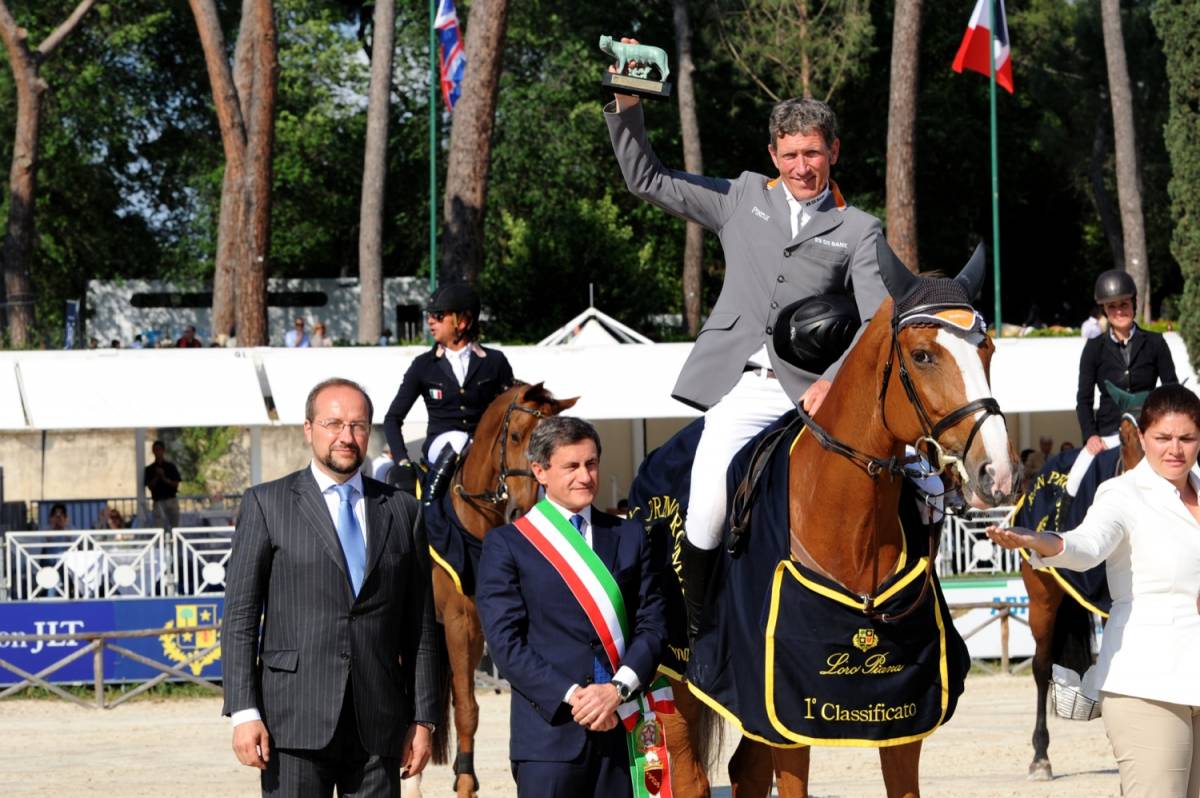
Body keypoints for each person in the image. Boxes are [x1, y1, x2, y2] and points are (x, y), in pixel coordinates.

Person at [605, 47, 889, 636]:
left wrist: (834, 381)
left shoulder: (860, 228)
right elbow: (646, 178)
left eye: (812, 153)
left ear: (833, 152)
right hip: (746, 387)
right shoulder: (740, 197)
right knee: (706, 511)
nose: (802, 166)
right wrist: (629, 102)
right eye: (790, 155)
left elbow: (874, 318)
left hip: (820, 392)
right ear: (772, 155)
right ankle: (704, 632)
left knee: (904, 486)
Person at [221, 377, 439, 796]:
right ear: (308, 429)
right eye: (333, 423)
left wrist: (424, 718)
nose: (346, 436)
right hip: (292, 720)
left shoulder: (402, 510)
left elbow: (422, 629)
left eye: (358, 426)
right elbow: (241, 619)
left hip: (380, 723)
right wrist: (243, 712)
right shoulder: (267, 503)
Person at [987, 384, 1200, 797]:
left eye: (1187, 438)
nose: (1175, 449)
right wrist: (1041, 541)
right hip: (1148, 687)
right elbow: (1087, 545)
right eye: (1163, 438)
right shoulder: (1120, 494)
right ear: (1141, 437)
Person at [477, 416, 667, 798]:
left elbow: (653, 624)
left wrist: (616, 690)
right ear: (540, 471)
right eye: (572, 466)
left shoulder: (629, 534)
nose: (586, 476)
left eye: (592, 463)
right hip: (550, 736)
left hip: (622, 726)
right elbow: (506, 644)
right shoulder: (508, 544)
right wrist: (575, 696)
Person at [383, 282, 514, 502]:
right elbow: (392, 418)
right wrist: (402, 461)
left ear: (462, 321)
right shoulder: (423, 365)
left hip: (486, 446)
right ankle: (431, 504)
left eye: (438, 315)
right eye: (429, 316)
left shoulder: (495, 362)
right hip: (441, 443)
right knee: (457, 439)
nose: (430, 321)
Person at [1070, 270, 1178, 495]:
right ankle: (1065, 518)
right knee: (1075, 479)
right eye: (1112, 306)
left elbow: (1172, 390)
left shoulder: (1155, 343)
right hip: (1108, 434)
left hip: (1150, 431)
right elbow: (1084, 399)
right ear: (1104, 311)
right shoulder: (1094, 348)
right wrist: (1090, 435)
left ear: (1134, 304)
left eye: (1124, 304)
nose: (1120, 311)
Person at [143, 441, 182, 533]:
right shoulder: (150, 469)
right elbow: (150, 486)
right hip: (158, 501)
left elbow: (175, 484)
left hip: (171, 500)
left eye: (159, 449)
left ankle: (175, 545)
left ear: (163, 451)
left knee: (175, 528)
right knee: (159, 528)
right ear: (153, 451)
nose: (158, 452)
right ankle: (161, 546)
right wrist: (157, 476)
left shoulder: (170, 467)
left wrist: (164, 478)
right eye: (156, 450)